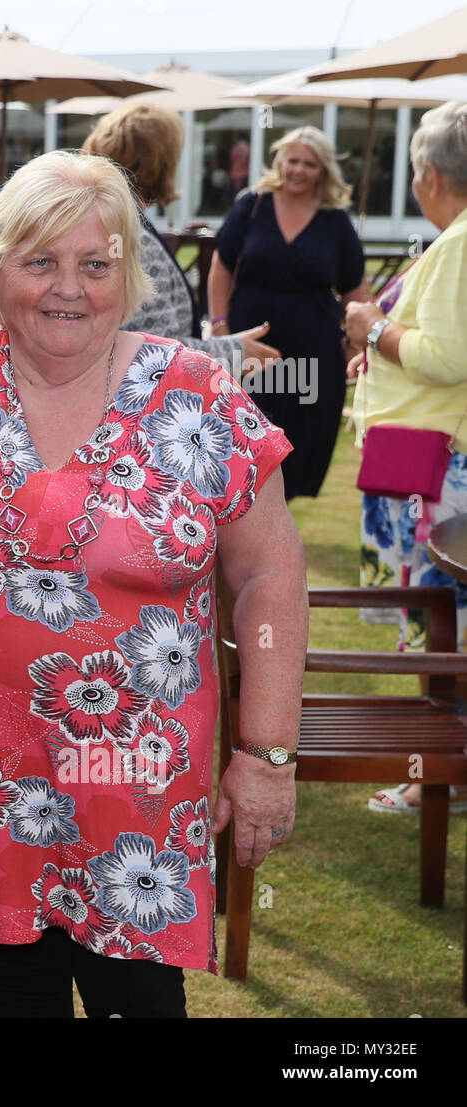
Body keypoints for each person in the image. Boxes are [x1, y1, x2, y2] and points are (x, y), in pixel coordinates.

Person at [0, 150, 307, 1017]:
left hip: (135, 786)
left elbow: (269, 570)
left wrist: (266, 752)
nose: (67, 287)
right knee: (14, 987)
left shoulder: (195, 395)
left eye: (95, 262)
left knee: (137, 999)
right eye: (40, 261)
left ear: (130, 274)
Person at [342, 101, 467, 816]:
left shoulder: (456, 243)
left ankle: (435, 779)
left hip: (436, 470)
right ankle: (442, 774)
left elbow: (447, 356)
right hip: (432, 463)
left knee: (439, 630)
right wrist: (382, 355)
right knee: (443, 625)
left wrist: (373, 327)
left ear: (428, 173)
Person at [209, 126, 367, 500]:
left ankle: (275, 536)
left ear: (323, 170)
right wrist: (219, 326)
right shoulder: (252, 205)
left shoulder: (336, 221)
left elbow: (356, 290)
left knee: (299, 445)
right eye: (292, 160)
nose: (298, 170)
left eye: (309, 164)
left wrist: (357, 343)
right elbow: (221, 266)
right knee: (241, 444)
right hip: (251, 353)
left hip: (312, 356)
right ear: (280, 161)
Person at [82, 103, 280, 370]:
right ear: (160, 161)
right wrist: (234, 351)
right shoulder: (131, 238)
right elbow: (153, 349)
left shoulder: (112, 223)